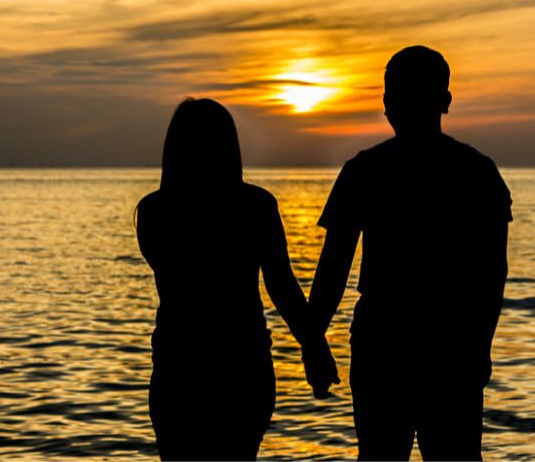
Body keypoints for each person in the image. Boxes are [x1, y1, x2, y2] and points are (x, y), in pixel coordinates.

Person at [308, 46, 512, 460]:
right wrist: (480, 346)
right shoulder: (477, 171)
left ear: (387, 105)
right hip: (447, 347)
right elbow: (492, 276)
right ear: (446, 100)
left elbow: (333, 271)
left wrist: (314, 343)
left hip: (392, 345)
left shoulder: (364, 171)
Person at [135, 98, 337, 461]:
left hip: (179, 369)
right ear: (229, 146)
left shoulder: (154, 212)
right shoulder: (256, 207)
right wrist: (313, 346)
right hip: (243, 368)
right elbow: (282, 287)